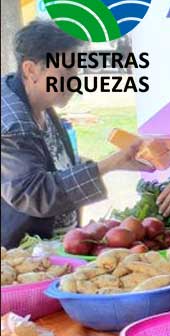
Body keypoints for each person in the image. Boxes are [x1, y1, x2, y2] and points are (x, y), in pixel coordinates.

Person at [1, 21, 149, 248]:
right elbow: (34, 193)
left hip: (52, 248)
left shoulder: (38, 103)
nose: (75, 81)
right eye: (66, 71)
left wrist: (116, 162)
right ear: (31, 70)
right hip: (20, 259)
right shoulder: (13, 124)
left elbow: (52, 165)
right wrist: (107, 165)